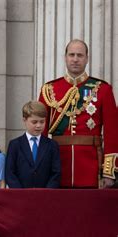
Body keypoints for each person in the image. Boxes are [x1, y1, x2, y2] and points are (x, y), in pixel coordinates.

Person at [38, 39, 118, 188]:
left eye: (80, 55)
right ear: (65, 57)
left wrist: (108, 171)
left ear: (87, 58)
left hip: (91, 166)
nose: (75, 59)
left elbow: (112, 133)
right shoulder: (49, 90)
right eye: (71, 55)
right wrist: (41, 166)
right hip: (57, 165)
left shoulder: (103, 89)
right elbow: (40, 132)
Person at [5, 101, 61, 188]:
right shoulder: (15, 145)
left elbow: (56, 173)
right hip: (21, 196)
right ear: (24, 120)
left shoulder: (52, 145)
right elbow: (10, 172)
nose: (38, 126)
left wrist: (47, 192)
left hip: (45, 196)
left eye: (42, 122)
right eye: (34, 122)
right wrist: (20, 193)